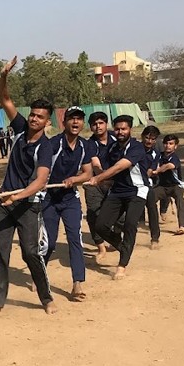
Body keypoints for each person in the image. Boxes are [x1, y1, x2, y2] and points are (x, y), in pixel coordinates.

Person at [0, 56, 57, 319]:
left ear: (47, 121)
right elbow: (5, 100)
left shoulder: (45, 147)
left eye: (40, 117)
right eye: (33, 115)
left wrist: (18, 196)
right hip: (3, 204)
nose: (34, 119)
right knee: (0, 252)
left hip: (28, 204)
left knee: (30, 253)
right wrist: (4, 74)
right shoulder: (18, 128)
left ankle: (46, 297)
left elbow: (40, 182)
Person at [89, 115, 151, 280]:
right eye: (117, 129)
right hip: (117, 192)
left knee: (130, 224)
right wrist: (99, 179)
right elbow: (106, 169)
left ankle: (122, 265)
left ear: (130, 129)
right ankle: (122, 246)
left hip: (136, 191)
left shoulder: (137, 147)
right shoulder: (112, 148)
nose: (120, 132)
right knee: (100, 226)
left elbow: (119, 167)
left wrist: (99, 178)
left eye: (124, 129)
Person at [41, 106, 94, 302]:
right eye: (72, 119)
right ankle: (41, 275)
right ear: (64, 122)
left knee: (75, 239)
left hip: (70, 198)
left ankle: (77, 283)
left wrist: (75, 179)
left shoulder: (85, 146)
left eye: (79, 119)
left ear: (82, 123)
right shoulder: (53, 144)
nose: (75, 123)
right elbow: (42, 169)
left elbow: (88, 173)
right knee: (49, 242)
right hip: (49, 198)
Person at [83, 112, 118, 262]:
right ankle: (101, 247)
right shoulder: (89, 144)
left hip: (117, 182)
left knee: (121, 216)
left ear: (106, 124)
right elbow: (96, 165)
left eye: (101, 123)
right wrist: (103, 177)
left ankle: (117, 241)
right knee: (93, 214)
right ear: (91, 127)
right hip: (95, 183)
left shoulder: (117, 139)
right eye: (94, 124)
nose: (98, 126)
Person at [153, 134, 184, 235]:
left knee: (180, 200)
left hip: (176, 185)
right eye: (166, 143)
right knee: (150, 198)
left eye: (171, 144)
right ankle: (151, 221)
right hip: (162, 186)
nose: (168, 146)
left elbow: (170, 165)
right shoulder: (159, 156)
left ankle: (182, 226)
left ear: (175, 146)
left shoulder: (174, 157)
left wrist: (158, 170)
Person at [141, 125, 162, 249]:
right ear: (142, 137)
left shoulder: (156, 153)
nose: (149, 141)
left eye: (153, 139)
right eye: (147, 138)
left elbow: (150, 170)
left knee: (152, 208)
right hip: (131, 183)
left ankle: (155, 238)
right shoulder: (135, 149)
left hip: (146, 184)